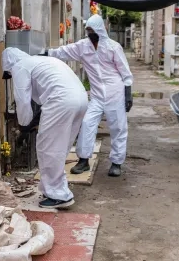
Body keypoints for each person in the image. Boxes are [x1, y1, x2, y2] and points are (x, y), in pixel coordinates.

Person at [45, 15, 133, 177]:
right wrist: (45, 53)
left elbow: (125, 72)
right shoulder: (82, 47)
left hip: (116, 93)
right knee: (87, 124)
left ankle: (116, 163)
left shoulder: (113, 47)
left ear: (100, 29)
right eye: (88, 30)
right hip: (97, 96)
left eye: (93, 30)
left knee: (118, 127)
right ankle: (84, 160)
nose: (90, 33)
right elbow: (63, 52)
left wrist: (128, 94)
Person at [2, 48, 88, 209]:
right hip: (81, 99)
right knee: (59, 148)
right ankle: (54, 188)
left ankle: (58, 195)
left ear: (9, 66)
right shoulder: (39, 61)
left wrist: (24, 125)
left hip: (61, 101)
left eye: (9, 74)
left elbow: (22, 100)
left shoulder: (20, 66)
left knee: (47, 147)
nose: (11, 76)